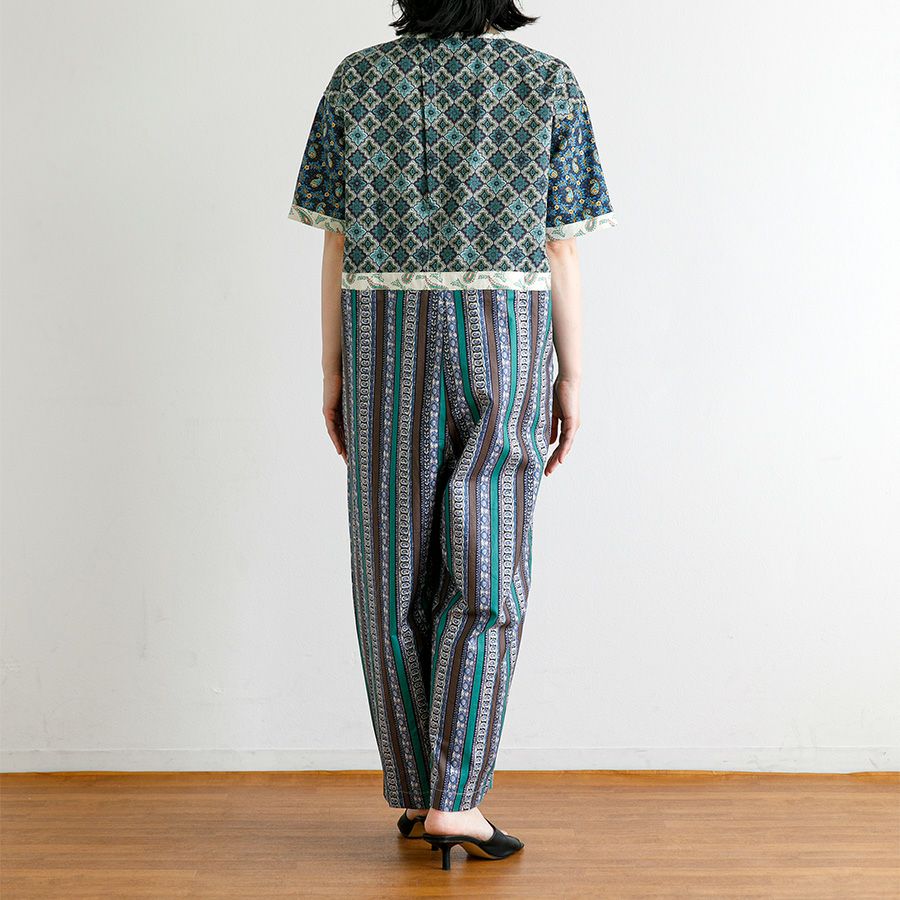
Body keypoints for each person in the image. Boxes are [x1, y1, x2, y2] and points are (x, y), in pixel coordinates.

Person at [287, 0, 615, 870]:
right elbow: (561, 249)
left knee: (390, 569)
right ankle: (455, 799)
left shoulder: (358, 79)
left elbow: (337, 244)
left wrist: (332, 372)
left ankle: (419, 790)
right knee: (488, 564)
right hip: (503, 335)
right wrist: (571, 377)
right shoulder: (547, 83)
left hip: (382, 334)